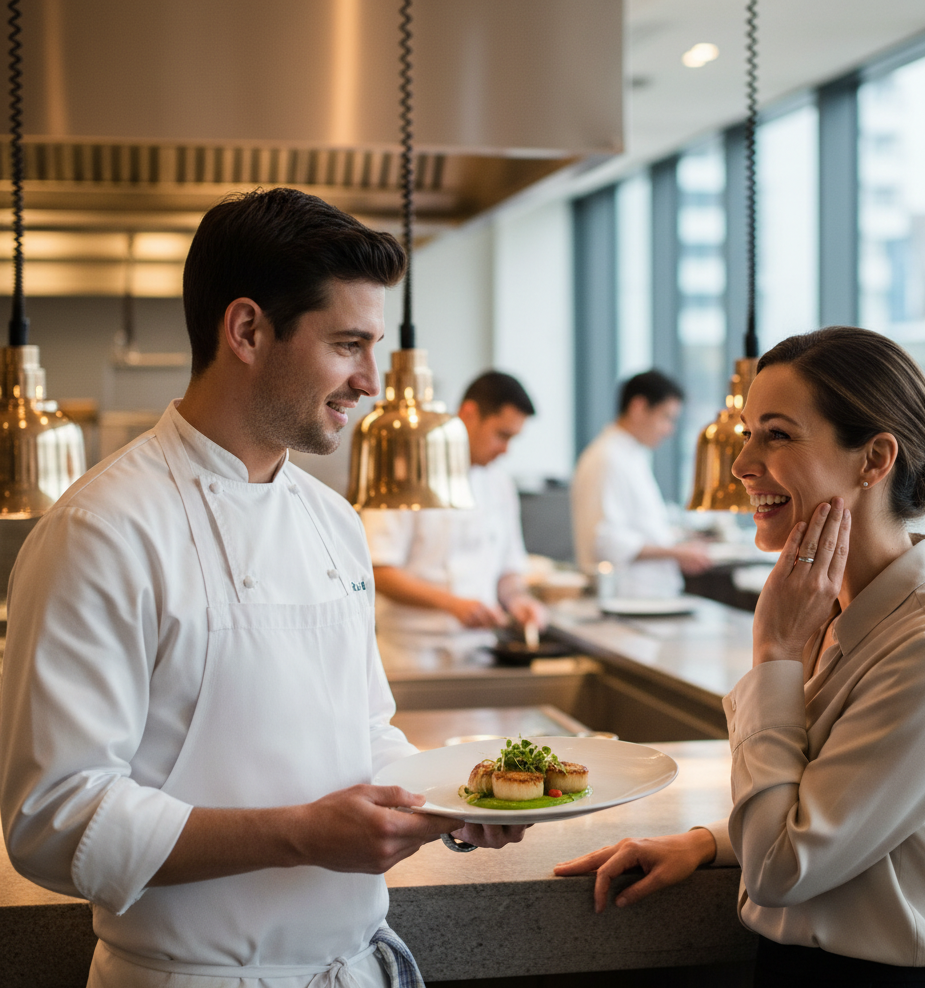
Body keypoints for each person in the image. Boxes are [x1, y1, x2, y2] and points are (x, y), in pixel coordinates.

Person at [0, 188, 526, 988]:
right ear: (246, 330)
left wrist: (448, 805)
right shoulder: (101, 530)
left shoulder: (332, 520)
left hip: (354, 967)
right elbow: (54, 819)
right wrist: (298, 834)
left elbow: (365, 734)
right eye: (347, 345)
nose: (370, 380)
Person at [556, 326, 925, 985]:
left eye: (775, 434)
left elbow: (782, 868)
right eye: (747, 432)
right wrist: (709, 840)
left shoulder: (914, 644)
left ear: (873, 460)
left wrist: (774, 652)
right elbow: (832, 812)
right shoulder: (831, 608)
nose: (740, 464)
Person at [362, 371, 546, 671]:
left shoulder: (500, 484)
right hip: (410, 655)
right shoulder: (406, 471)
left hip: (478, 652)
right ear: (469, 414)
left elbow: (508, 570)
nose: (506, 449)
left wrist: (518, 600)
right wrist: (453, 604)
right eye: (502, 435)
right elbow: (378, 570)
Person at [571, 369, 711, 597]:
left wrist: (680, 544)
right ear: (638, 407)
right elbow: (606, 542)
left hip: (648, 596)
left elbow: (641, 528)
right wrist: (675, 553)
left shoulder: (630, 455)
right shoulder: (607, 458)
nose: (669, 430)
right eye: (666, 417)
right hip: (627, 598)